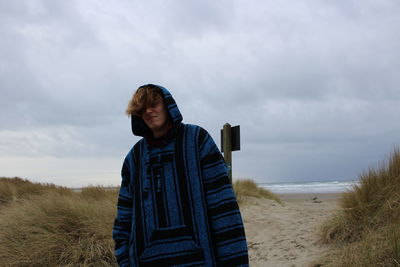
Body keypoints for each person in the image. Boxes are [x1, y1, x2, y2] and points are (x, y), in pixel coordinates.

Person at [112, 84, 249, 266]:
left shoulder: (198, 141)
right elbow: (124, 220)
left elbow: (223, 208)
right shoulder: (134, 159)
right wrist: (124, 261)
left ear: (168, 105)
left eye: (154, 104)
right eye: (142, 109)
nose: (149, 111)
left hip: (199, 260)